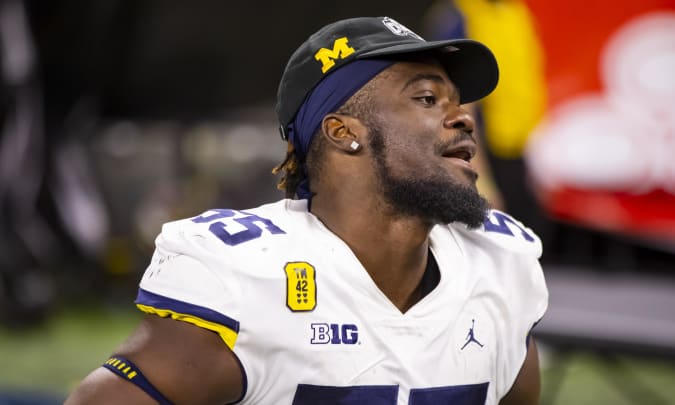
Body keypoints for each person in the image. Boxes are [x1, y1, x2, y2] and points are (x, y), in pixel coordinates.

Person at [66, 16, 548, 405]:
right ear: (344, 132)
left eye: (458, 102)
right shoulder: (243, 277)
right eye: (426, 98)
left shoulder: (500, 263)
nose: (463, 116)